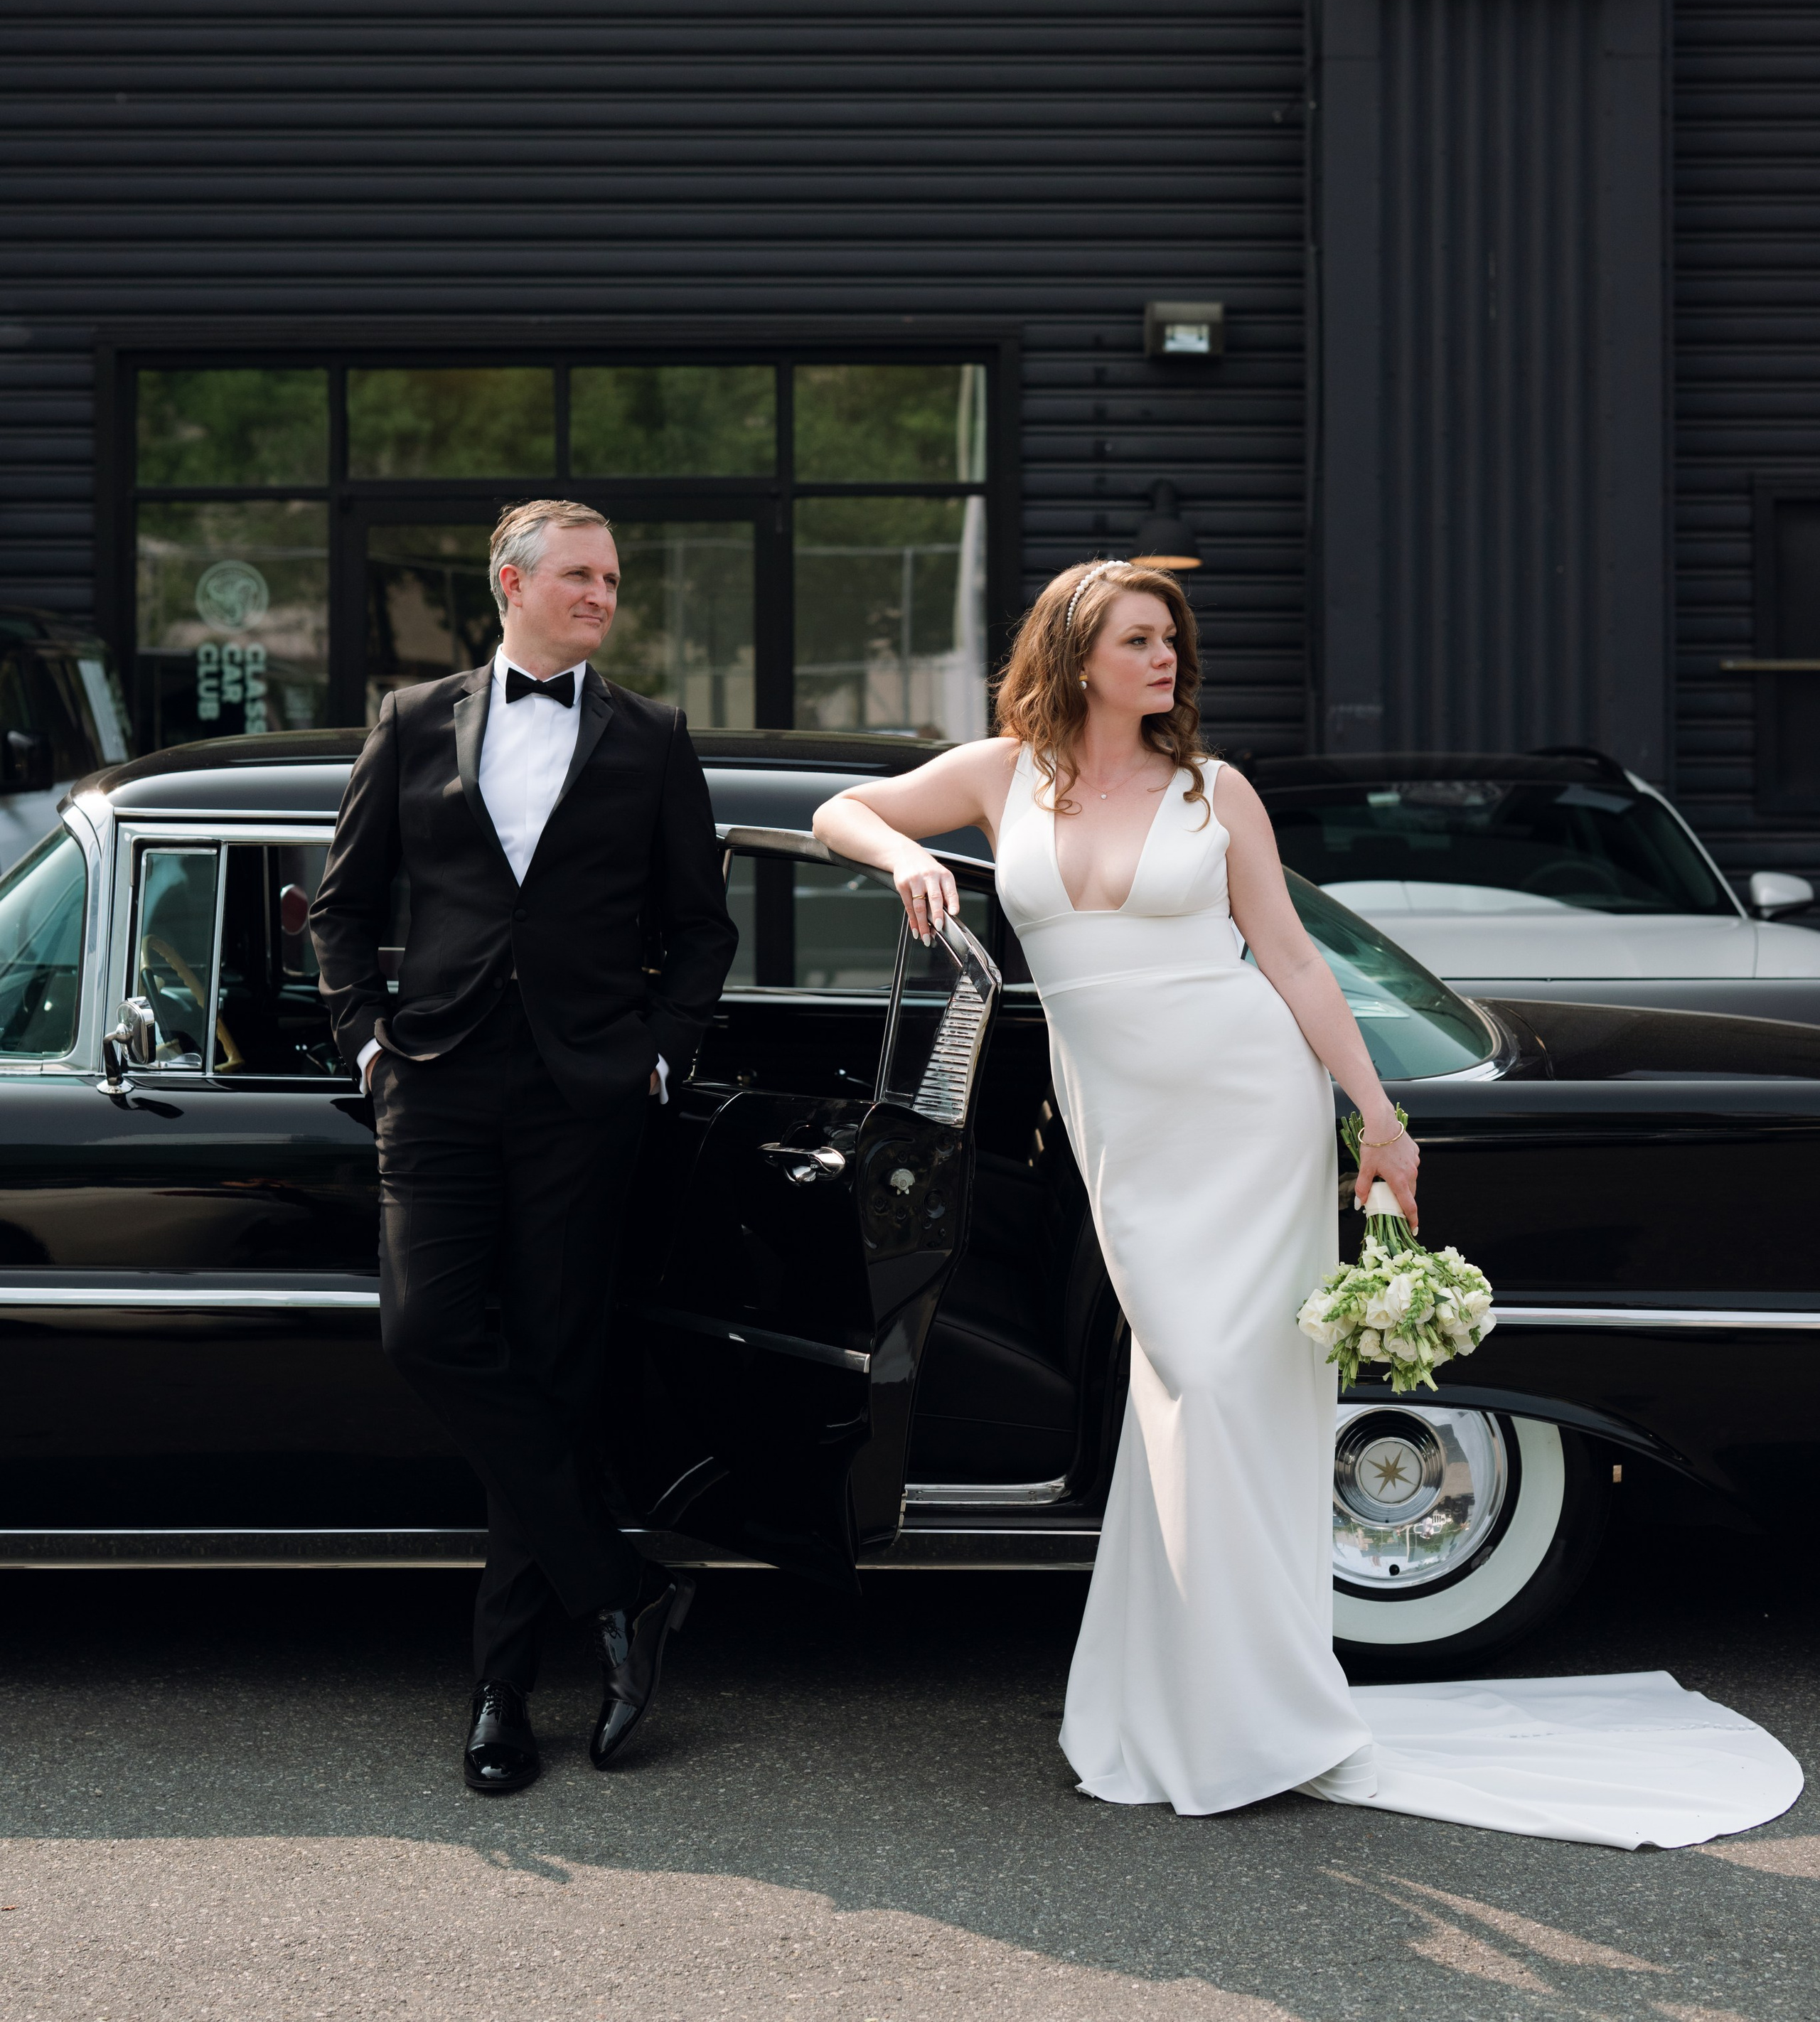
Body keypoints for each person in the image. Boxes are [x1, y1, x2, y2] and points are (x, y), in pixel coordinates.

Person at [812, 560, 1802, 1846]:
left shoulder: (1215, 792)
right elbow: (842, 805)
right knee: (1177, 1397)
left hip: (1246, 1105)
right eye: (1136, 641)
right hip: (1127, 1130)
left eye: (1171, 640)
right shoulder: (1003, 774)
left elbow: (1287, 956)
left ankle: (1254, 1707)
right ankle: (1154, 1704)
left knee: (1230, 1389)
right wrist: (904, 857)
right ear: (1073, 655)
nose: (1165, 661)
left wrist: (1377, 1117)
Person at [311, 499, 737, 1797]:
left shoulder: (654, 737)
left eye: (615, 576)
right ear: (512, 583)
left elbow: (703, 928)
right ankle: (621, 1589)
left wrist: (658, 1054)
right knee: (426, 1329)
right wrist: (369, 1047)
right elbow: (342, 905)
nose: (605, 594)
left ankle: (502, 1694)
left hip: (584, 1096)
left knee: (553, 1378)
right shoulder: (409, 720)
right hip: (434, 1081)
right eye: (582, 575)